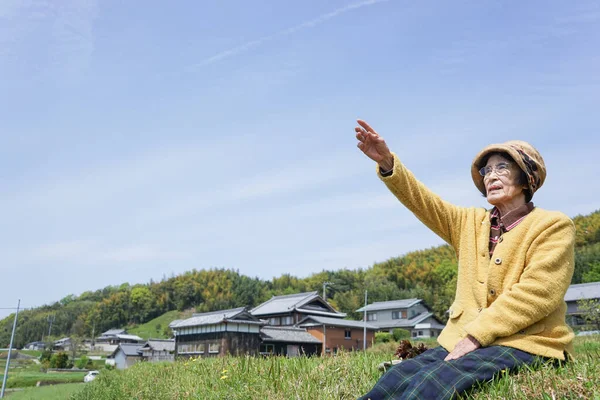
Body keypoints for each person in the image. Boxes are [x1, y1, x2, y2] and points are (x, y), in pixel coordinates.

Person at [354, 119, 575, 400]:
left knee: (432, 383)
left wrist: (475, 337)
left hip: (525, 342)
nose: (490, 176)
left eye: (502, 167)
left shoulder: (553, 225)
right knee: (397, 378)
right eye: (487, 170)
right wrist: (387, 163)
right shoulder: (469, 222)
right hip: (463, 339)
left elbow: (538, 292)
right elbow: (424, 203)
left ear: (526, 178)